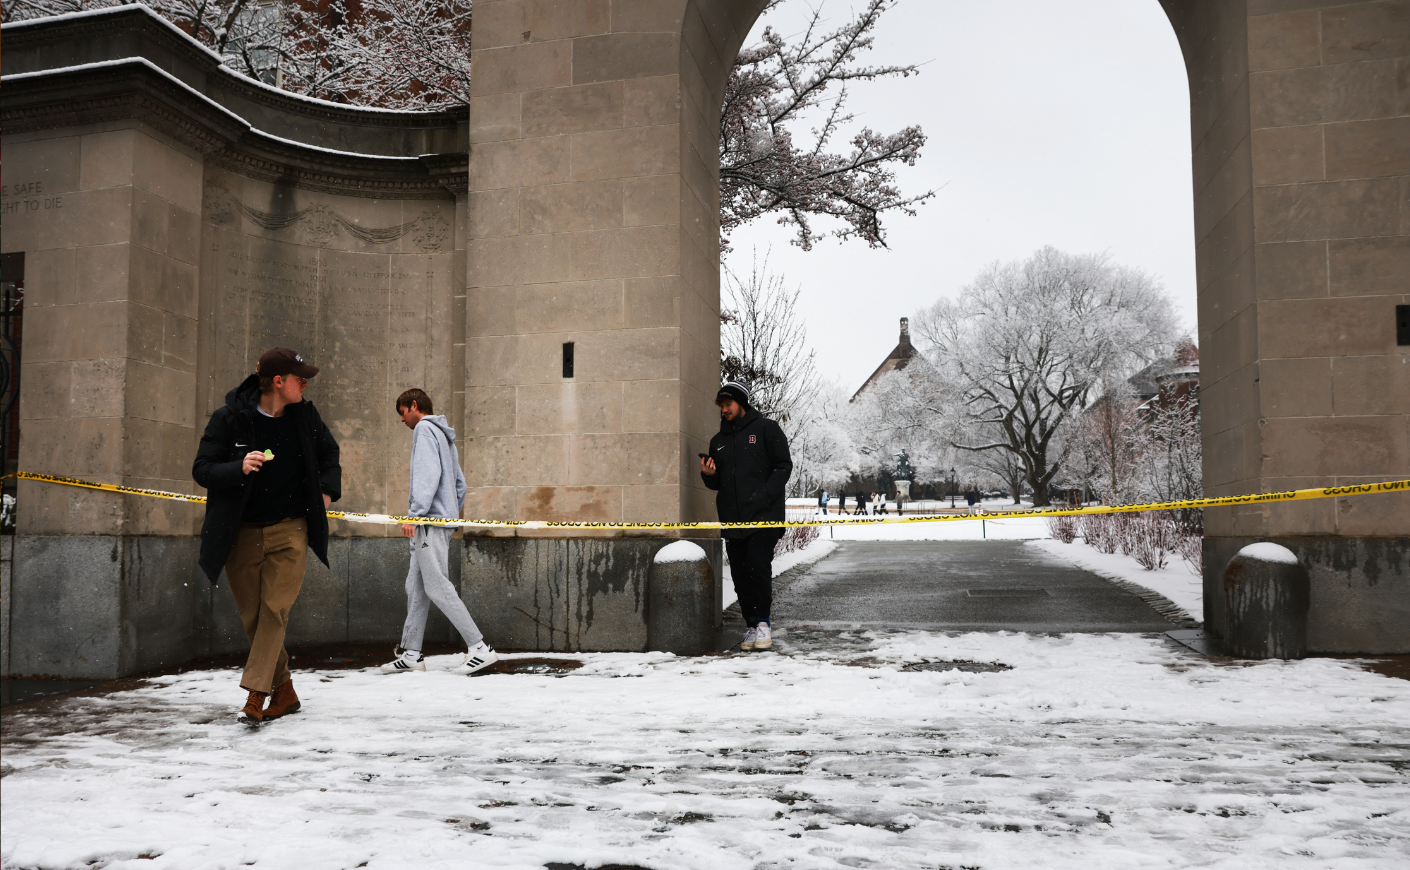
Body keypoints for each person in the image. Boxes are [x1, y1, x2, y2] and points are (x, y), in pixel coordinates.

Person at [193, 348, 341, 726]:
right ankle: (285, 691)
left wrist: (326, 490)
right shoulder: (230, 419)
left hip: (290, 530)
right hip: (239, 534)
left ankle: (256, 695)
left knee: (275, 611)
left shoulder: (305, 417)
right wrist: (237, 467)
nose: (305, 384)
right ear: (278, 382)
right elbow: (203, 469)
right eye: (300, 379)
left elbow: (329, 454)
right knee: (255, 618)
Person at [379, 389, 499, 676]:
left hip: (429, 523)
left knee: (436, 586)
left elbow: (427, 474)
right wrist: (450, 515)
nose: (402, 421)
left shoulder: (423, 429)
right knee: (416, 587)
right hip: (439, 521)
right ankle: (411, 653)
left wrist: (416, 515)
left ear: (414, 406)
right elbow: (460, 485)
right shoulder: (445, 436)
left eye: (402, 413)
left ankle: (480, 648)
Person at [700, 381, 792, 652]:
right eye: (721, 406)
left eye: (728, 405)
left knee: (757, 566)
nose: (724, 410)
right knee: (740, 575)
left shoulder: (766, 429)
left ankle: (763, 623)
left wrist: (764, 495)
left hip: (764, 517)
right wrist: (709, 475)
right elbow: (718, 484)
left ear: (742, 403)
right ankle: (751, 626)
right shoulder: (718, 441)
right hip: (732, 520)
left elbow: (783, 465)